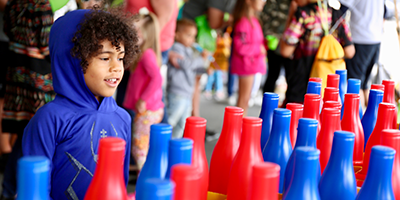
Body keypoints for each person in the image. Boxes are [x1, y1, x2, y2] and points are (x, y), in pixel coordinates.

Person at [22, 7, 139, 200]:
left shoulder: (123, 118)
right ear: (72, 59)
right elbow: (33, 190)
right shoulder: (50, 118)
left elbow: (120, 183)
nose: (116, 68)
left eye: (120, 57)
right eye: (104, 58)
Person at [1, 1, 55, 199]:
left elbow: (7, 29)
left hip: (16, 72)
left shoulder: (13, 3)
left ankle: (8, 189)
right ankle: (27, 190)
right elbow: (46, 43)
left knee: (22, 132)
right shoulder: (42, 5)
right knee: (36, 134)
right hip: (37, 77)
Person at [280, 0, 355, 105]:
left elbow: (285, 50)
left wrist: (291, 15)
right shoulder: (336, 15)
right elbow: (350, 51)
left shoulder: (303, 15)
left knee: (297, 118)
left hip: (302, 84)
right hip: (327, 84)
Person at [123, 13, 164, 170]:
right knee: (142, 145)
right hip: (149, 110)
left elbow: (157, 79)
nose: (133, 35)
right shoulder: (144, 53)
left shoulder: (147, 55)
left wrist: (143, 99)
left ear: (146, 34)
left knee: (139, 147)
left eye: (137, 32)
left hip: (147, 110)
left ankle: (143, 182)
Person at [167, 19, 207, 138]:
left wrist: (205, 67)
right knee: (171, 120)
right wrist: (201, 59)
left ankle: (175, 145)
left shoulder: (189, 50)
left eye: (193, 36)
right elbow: (186, 64)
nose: (192, 40)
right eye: (188, 35)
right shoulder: (176, 48)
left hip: (187, 93)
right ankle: (163, 143)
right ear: (177, 35)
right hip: (177, 92)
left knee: (182, 124)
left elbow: (195, 69)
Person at [339, 0, 384, 106]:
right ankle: (368, 120)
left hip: (361, 39)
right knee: (364, 84)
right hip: (376, 39)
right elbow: (385, 11)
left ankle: (358, 120)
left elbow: (342, 10)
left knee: (355, 84)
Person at [230, 0, 267, 116]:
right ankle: (237, 129)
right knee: (243, 100)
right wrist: (259, 49)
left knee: (245, 100)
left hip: (251, 65)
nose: (264, 2)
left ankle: (238, 128)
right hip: (245, 66)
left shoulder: (254, 20)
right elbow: (240, 47)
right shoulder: (243, 22)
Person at [260, 0, 296, 95]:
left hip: (284, 41)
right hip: (279, 41)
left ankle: (273, 104)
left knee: (285, 76)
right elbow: (264, 15)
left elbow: (264, 15)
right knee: (275, 74)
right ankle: (268, 104)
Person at [203, 30, 231, 101]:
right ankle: (208, 90)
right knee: (211, 76)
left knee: (218, 77)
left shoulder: (227, 39)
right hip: (212, 61)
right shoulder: (214, 38)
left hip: (220, 63)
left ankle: (218, 91)